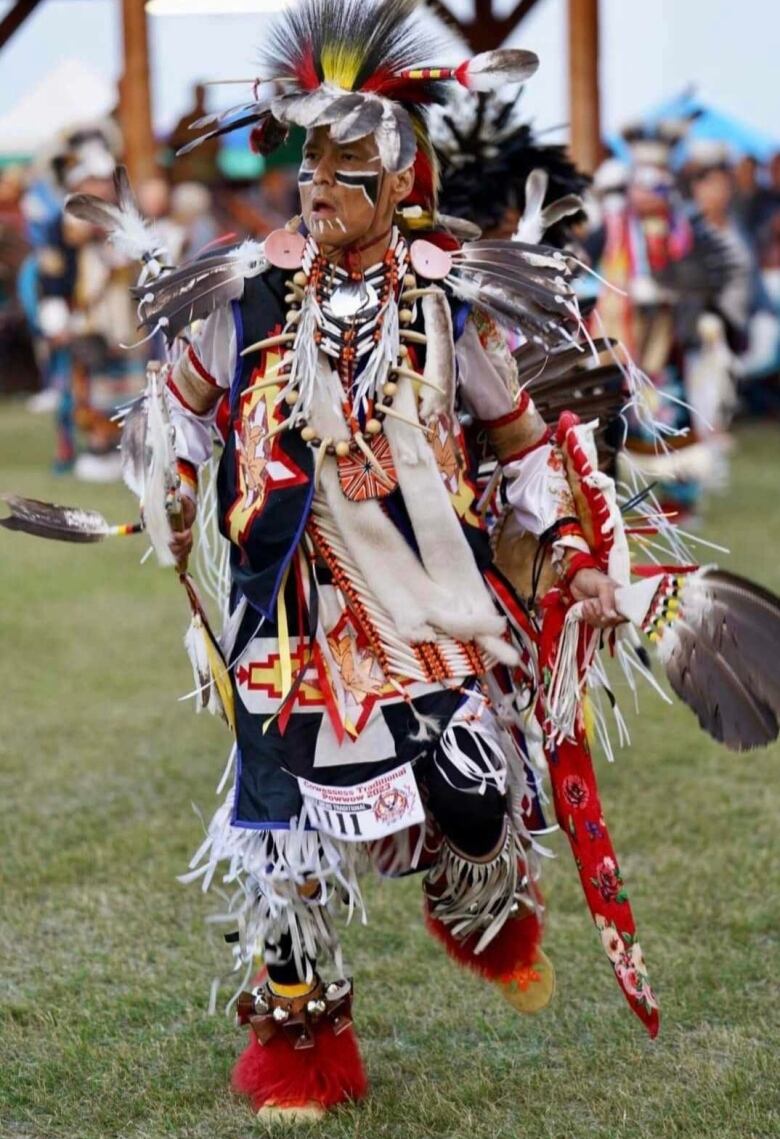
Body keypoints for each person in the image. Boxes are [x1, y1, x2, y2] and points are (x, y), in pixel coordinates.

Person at [13, 0, 776, 1124]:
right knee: (282, 841)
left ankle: (478, 900)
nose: (317, 190)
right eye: (309, 167)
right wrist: (173, 488)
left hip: (429, 608)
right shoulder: (246, 293)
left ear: (399, 187)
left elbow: (522, 451)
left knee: (475, 808)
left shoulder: (451, 304)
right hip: (292, 611)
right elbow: (173, 411)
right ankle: (302, 1046)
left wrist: (576, 555)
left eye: (346, 172)